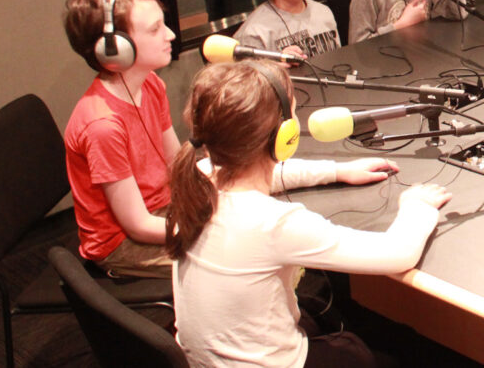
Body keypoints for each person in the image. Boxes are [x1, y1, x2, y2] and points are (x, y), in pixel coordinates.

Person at [167, 60, 451, 367]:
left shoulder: (198, 177)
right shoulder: (274, 224)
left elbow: (266, 175)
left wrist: (337, 170)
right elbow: (398, 254)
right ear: (283, 136)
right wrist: (416, 207)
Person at [61, 0, 179, 277]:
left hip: (161, 209)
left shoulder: (151, 84)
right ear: (115, 49)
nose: (171, 34)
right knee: (231, 258)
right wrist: (208, 228)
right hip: (122, 243)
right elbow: (137, 226)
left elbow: (177, 163)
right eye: (155, 29)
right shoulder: (102, 125)